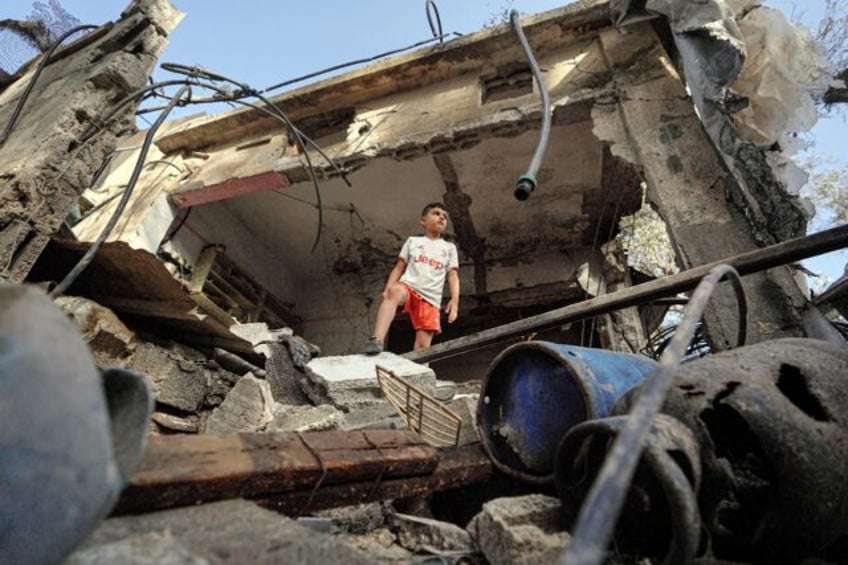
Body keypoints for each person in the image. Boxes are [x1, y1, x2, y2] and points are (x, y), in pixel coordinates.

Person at [364, 202, 460, 354]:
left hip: (431, 299)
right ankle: (377, 340)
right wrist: (387, 289)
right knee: (395, 291)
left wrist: (455, 300)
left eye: (445, 217)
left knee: (423, 347)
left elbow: (453, 275)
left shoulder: (449, 248)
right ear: (423, 220)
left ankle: (422, 374)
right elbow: (399, 267)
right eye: (436, 213)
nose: (441, 218)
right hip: (409, 288)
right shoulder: (413, 242)